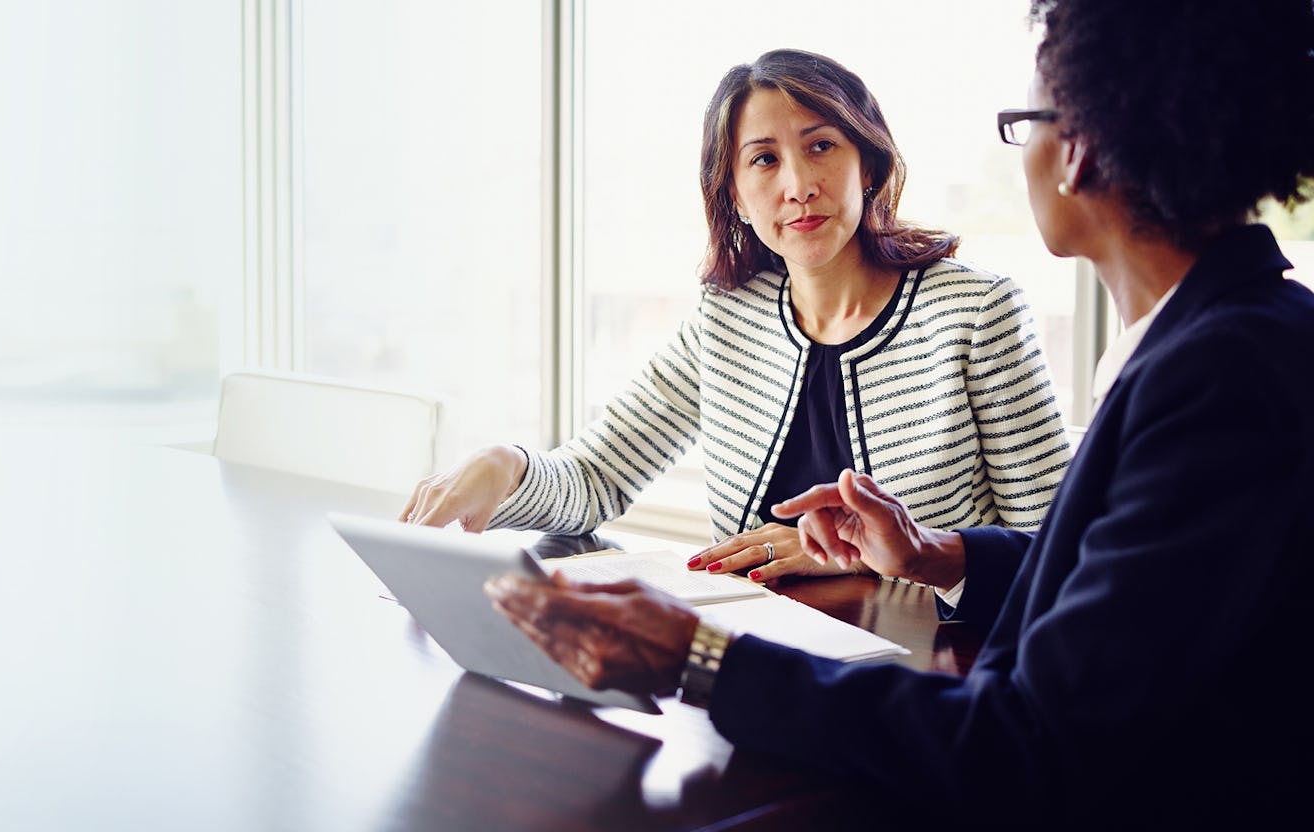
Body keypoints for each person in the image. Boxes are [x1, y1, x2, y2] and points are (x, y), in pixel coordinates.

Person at [485, 0, 1314, 827]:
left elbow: (1035, 744)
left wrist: (700, 659)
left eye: (1026, 122)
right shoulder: (1229, 343)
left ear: (1081, 152)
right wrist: (934, 553)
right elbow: (1112, 589)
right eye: (763, 160)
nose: (797, 183)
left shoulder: (1220, 377)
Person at [401, 49, 1070, 586]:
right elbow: (595, 478)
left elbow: (1057, 547)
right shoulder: (728, 320)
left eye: (821, 146)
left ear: (867, 163)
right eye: (764, 160)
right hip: (756, 661)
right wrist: (502, 464)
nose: (797, 185)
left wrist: (856, 553)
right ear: (735, 195)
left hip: (934, 676)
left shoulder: (976, 313)